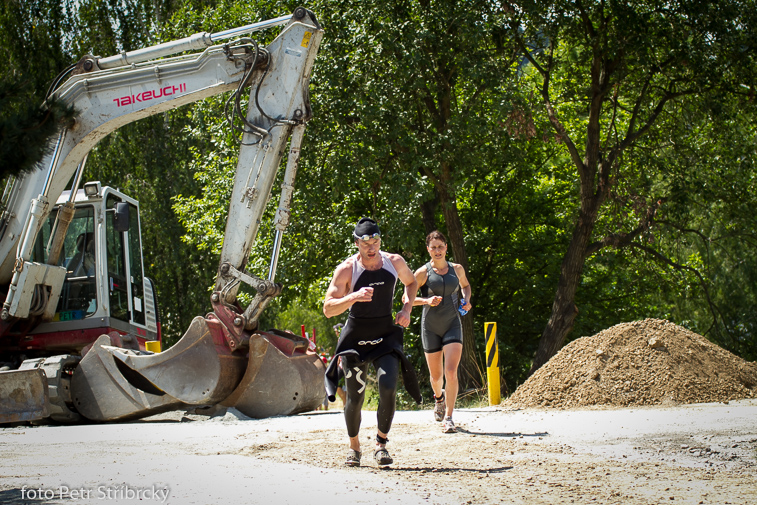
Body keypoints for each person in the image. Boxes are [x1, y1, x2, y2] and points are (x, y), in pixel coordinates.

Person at [323, 217, 422, 468]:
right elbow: (328, 309)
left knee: (388, 385)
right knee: (355, 399)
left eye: (376, 241)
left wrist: (407, 309)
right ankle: (354, 447)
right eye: (366, 243)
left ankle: (381, 444)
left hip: (384, 334)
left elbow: (411, 283)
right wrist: (354, 296)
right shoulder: (347, 269)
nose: (372, 247)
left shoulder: (394, 261)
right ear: (357, 243)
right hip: (355, 338)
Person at [406, 230, 472, 433]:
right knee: (436, 378)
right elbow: (406, 299)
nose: (437, 250)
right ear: (428, 249)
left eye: (440, 246)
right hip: (430, 327)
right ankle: (439, 398)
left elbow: (466, 286)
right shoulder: (422, 273)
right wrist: (426, 301)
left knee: (451, 371)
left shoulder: (457, 269)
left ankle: (449, 417)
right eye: (433, 247)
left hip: (453, 323)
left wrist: (466, 300)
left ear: (446, 248)